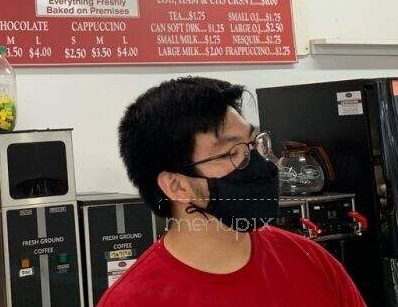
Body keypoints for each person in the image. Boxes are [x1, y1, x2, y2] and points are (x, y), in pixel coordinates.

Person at [98, 76, 365, 307]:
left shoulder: (311, 261)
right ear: (176, 185)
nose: (258, 164)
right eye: (231, 152)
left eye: (253, 144)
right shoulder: (133, 300)